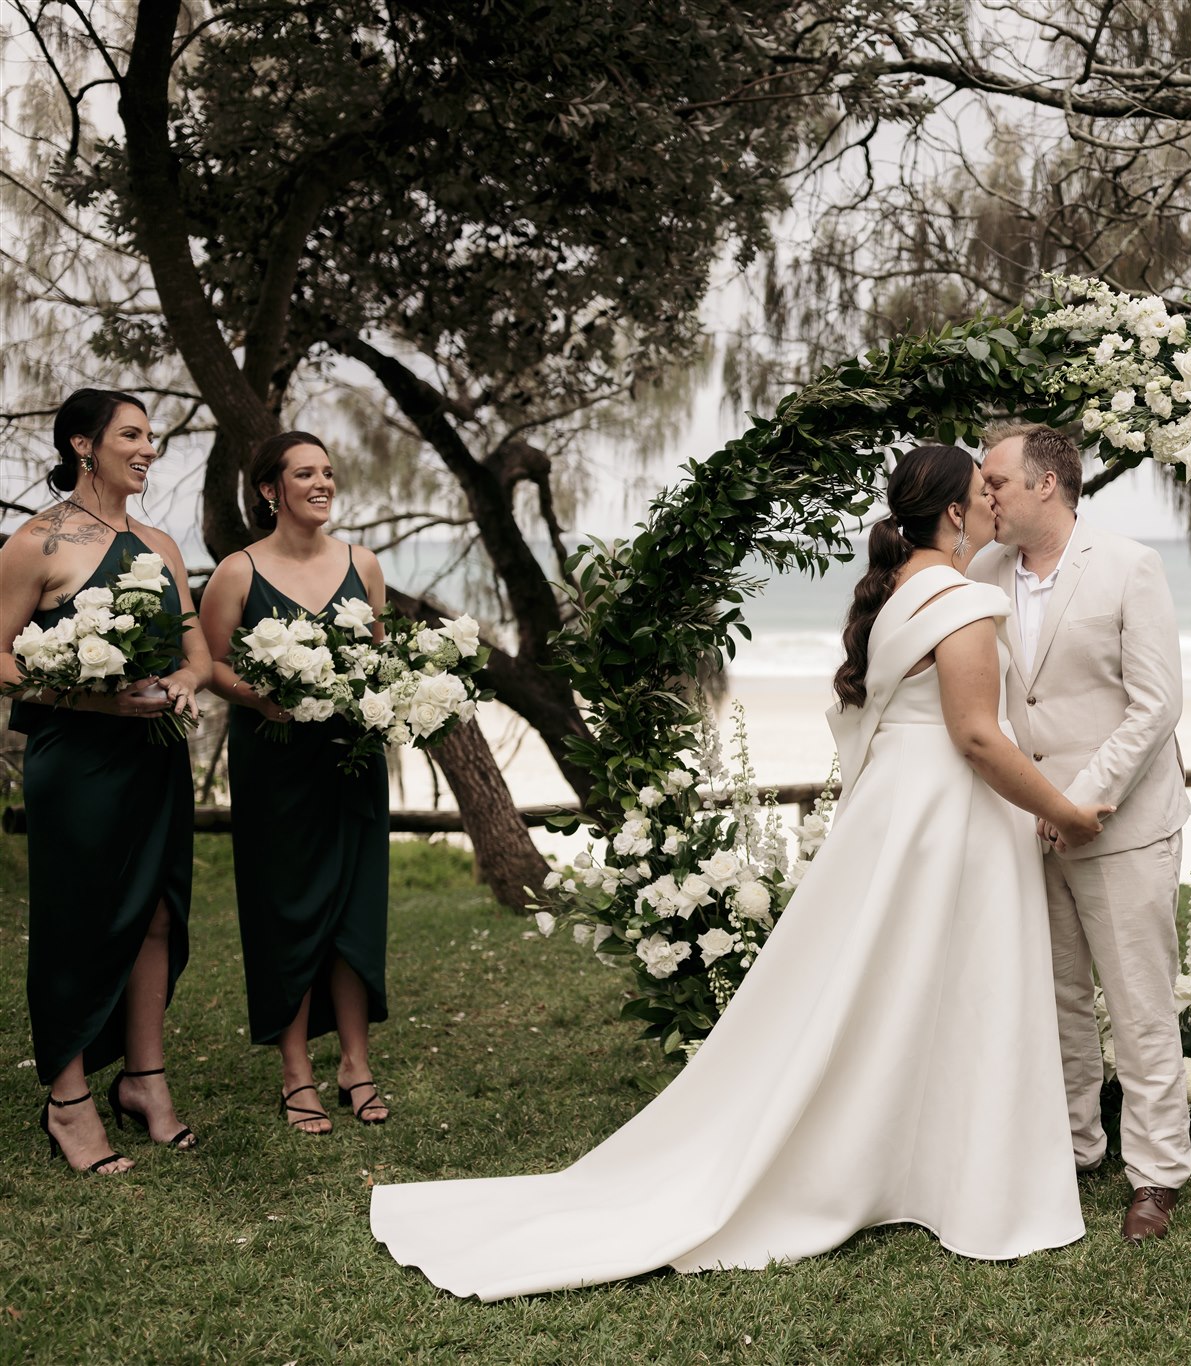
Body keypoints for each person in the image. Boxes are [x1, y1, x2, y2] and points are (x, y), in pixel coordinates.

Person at [371, 445, 1112, 1299]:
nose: (992, 504)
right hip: (949, 813)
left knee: (891, 985)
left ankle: (911, 1161)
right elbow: (978, 737)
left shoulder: (902, 590)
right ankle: (956, 1172)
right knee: (956, 983)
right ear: (952, 513)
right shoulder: (965, 600)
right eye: (981, 493)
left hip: (895, 811)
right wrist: (1064, 810)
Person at [971, 421, 1191, 1242]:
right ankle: (1074, 1149)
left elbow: (1156, 706)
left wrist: (1082, 801)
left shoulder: (1132, 566)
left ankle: (1158, 1174)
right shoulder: (984, 571)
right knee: (1057, 997)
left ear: (1045, 486)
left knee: (1139, 1007)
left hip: (1121, 824)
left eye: (995, 481)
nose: (984, 495)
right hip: (1026, 828)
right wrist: (1032, 806)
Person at [0, 389, 205, 1172]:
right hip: (76, 761)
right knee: (76, 921)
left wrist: (186, 683)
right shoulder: (37, 544)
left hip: (153, 755)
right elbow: (0, 655)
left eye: (152, 436)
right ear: (84, 446)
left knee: (157, 914)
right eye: (132, 435)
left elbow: (191, 650)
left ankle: (145, 1082)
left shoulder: (161, 544)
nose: (148, 448)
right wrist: (85, 693)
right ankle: (68, 1098)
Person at [198, 432, 393, 1134]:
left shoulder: (362, 564)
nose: (322, 483)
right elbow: (211, 664)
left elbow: (377, 655)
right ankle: (294, 1072)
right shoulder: (237, 573)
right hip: (275, 762)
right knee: (285, 910)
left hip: (351, 760)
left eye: (329, 473)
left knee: (353, 909)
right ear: (269, 490)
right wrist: (261, 696)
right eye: (305, 473)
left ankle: (355, 1064)